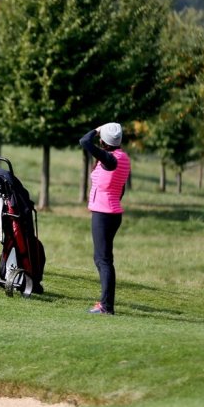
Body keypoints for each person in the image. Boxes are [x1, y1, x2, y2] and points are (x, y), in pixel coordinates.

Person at [79, 123, 131, 315]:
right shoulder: (122, 157)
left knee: (103, 260)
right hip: (112, 213)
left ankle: (106, 306)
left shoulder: (109, 159)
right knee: (103, 258)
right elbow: (121, 189)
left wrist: (96, 129)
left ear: (103, 141)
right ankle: (106, 303)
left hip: (104, 214)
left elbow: (84, 141)